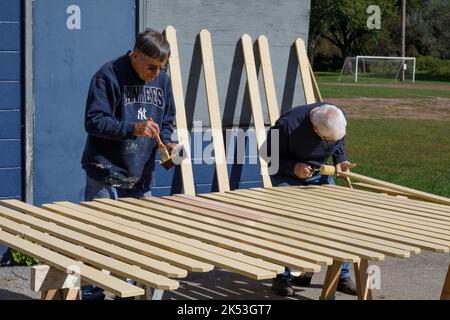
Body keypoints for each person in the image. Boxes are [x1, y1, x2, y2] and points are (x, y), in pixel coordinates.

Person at [80, 29, 176, 300]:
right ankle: (92, 291)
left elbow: (167, 119)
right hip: (105, 170)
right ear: (134, 56)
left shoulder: (163, 82)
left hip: (140, 173)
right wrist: (131, 128)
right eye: (151, 67)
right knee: (100, 237)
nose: (156, 73)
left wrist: (166, 142)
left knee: (139, 240)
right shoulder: (107, 75)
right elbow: (93, 120)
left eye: (162, 68)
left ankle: (131, 290)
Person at [267, 102, 357, 297]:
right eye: (326, 139)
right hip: (288, 175)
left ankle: (340, 276)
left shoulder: (334, 116)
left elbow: (338, 140)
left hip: (320, 173)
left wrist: (340, 160)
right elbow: (268, 155)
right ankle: (282, 277)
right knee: (288, 222)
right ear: (316, 130)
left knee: (337, 219)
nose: (330, 141)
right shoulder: (286, 126)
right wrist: (293, 168)